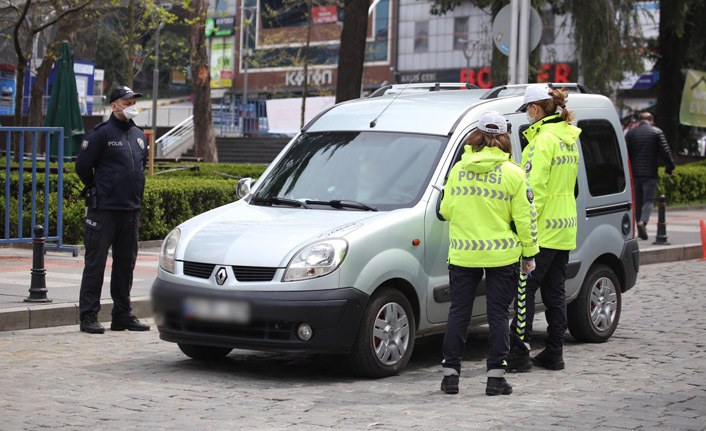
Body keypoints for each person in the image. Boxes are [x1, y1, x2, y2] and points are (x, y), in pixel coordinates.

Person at [439, 111, 539, 396]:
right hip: (502, 256)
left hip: (463, 255)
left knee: (458, 313)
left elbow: (446, 211)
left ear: (476, 136)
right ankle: (495, 379)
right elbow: (525, 219)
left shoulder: (458, 170)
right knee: (497, 316)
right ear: (505, 138)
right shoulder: (514, 174)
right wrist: (529, 255)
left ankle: (450, 377)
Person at [507, 85, 582, 372]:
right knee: (555, 292)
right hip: (564, 227)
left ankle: (519, 353)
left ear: (535, 109)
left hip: (542, 231)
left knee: (525, 290)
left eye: (527, 109)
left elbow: (532, 191)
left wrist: (520, 227)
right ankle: (554, 352)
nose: (526, 115)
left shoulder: (541, 142)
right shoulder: (568, 138)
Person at [75, 86, 150, 334]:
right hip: (104, 210)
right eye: (126, 102)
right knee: (95, 263)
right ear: (114, 106)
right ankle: (88, 316)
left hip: (130, 210)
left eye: (133, 101)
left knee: (125, 264)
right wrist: (100, 188)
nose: (131, 105)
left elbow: (140, 167)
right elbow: (83, 168)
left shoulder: (139, 135)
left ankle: (122, 315)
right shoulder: (100, 135)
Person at [625, 112, 675, 240]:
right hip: (650, 173)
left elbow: (625, 153)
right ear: (651, 121)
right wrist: (670, 168)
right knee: (648, 201)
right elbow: (666, 152)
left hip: (635, 173)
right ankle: (643, 222)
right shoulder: (656, 132)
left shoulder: (631, 133)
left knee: (638, 201)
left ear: (640, 121)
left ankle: (639, 225)